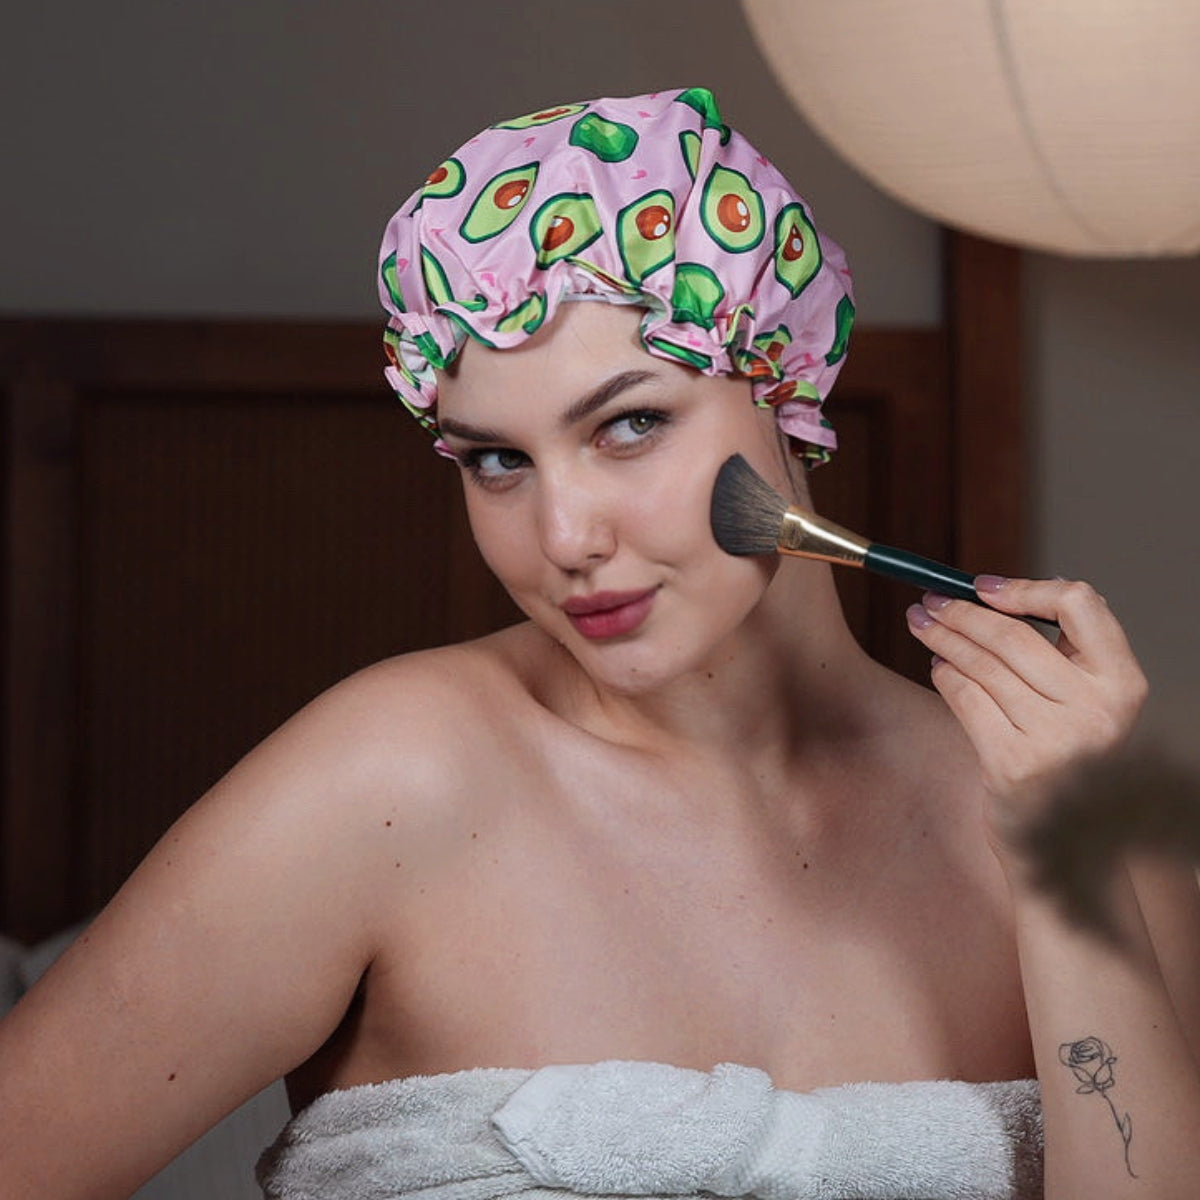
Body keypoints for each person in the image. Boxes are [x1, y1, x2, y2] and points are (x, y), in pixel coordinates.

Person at [2, 87, 1199, 1200]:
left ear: (784, 395)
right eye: (496, 461)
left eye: (630, 425)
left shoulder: (1083, 826)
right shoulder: (388, 783)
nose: (564, 536)